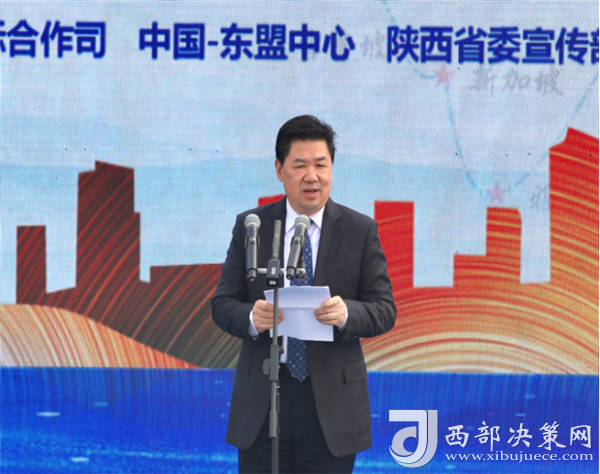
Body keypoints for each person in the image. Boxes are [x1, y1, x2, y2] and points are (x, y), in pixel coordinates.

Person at [212, 115, 396, 473]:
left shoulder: (359, 230)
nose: (311, 176)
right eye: (299, 165)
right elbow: (222, 303)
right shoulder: (253, 226)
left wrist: (347, 314)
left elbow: (384, 309)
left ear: (332, 170)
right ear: (279, 170)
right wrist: (251, 317)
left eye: (320, 165)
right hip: (264, 399)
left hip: (331, 405)